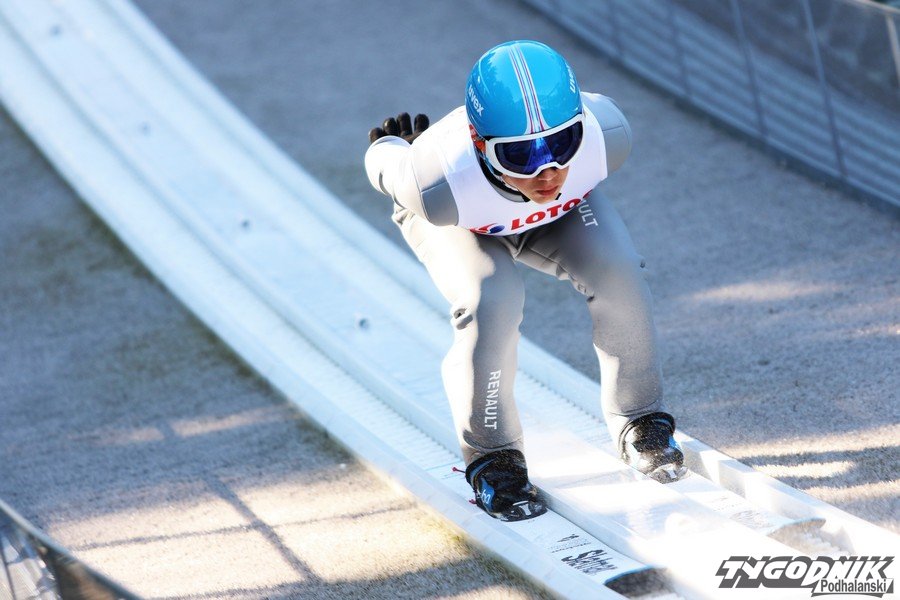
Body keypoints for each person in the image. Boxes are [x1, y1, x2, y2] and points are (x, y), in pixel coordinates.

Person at [364, 40, 685, 522]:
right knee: (491, 298)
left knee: (620, 274)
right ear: (479, 145)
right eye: (519, 154)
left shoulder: (608, 133)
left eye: (562, 143)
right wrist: (392, 150)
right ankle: (492, 456)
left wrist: (529, 161)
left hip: (557, 214)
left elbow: (554, 162)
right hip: (460, 217)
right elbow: (383, 168)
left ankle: (640, 418)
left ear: (582, 125)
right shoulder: (434, 185)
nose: (547, 172)